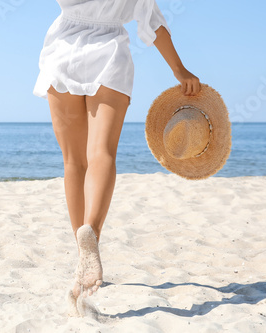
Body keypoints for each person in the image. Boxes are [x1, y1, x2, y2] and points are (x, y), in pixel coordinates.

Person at [32, 0, 201, 305]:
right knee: (102, 153)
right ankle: (91, 235)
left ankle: (82, 256)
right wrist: (180, 69)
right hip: (109, 52)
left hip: (63, 48)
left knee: (73, 161)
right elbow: (152, 23)